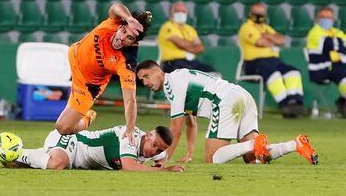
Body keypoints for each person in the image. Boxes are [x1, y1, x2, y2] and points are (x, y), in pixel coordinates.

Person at [136, 60, 318, 165]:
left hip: (225, 101)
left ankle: (253, 144)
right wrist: (189, 153)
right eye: (141, 80)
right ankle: (295, 145)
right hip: (243, 97)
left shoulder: (172, 84)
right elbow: (190, 122)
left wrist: (164, 158)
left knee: (213, 158)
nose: (145, 83)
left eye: (145, 76)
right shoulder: (179, 79)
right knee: (253, 158)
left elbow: (175, 130)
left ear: (158, 71)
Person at [55, 3, 152, 144]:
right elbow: (116, 6)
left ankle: (87, 118)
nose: (122, 38)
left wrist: (130, 129)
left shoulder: (126, 63)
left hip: (86, 86)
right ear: (120, 26)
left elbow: (130, 100)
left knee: (62, 128)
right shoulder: (113, 22)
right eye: (123, 31)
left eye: (129, 38)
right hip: (74, 56)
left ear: (134, 43)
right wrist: (129, 18)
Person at [0, 119, 185, 172]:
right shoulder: (130, 135)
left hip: (77, 160)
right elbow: (130, 167)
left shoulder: (153, 148)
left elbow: (158, 159)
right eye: (153, 144)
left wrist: (160, 161)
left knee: (14, 164)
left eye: (158, 149)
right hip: (71, 140)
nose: (153, 151)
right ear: (147, 134)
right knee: (57, 163)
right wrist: (166, 171)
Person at [238, 3, 306, 118]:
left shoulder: (265, 27)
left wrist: (267, 36)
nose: (259, 16)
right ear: (250, 14)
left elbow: (281, 40)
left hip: (274, 61)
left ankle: (295, 103)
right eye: (257, 14)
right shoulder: (246, 28)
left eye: (262, 14)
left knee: (293, 72)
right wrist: (270, 38)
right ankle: (285, 106)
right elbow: (260, 43)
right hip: (254, 63)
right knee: (274, 74)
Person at [306, 6, 346, 118]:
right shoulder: (314, 32)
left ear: (333, 20)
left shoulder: (336, 32)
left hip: (336, 67)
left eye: (328, 17)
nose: (326, 19)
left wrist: (337, 44)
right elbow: (328, 44)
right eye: (323, 17)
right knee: (343, 74)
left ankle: (343, 101)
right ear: (318, 19)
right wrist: (339, 43)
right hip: (321, 69)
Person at [157, 0, 216, 74]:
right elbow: (180, 44)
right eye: (177, 11)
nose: (180, 13)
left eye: (183, 11)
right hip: (172, 62)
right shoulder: (167, 26)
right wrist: (193, 44)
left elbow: (200, 48)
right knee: (187, 72)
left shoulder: (190, 29)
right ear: (171, 13)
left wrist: (185, 45)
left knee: (212, 72)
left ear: (187, 13)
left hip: (191, 62)